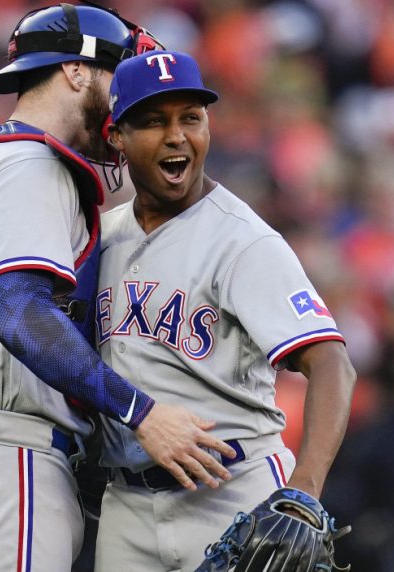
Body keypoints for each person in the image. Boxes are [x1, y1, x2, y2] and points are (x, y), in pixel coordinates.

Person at [0, 6, 234, 572]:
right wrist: (140, 412)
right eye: (116, 75)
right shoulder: (32, 166)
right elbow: (21, 317)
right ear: (75, 72)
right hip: (9, 472)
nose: (124, 101)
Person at [93, 50, 357, 570]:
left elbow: (331, 364)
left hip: (232, 495)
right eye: (153, 121)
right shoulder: (99, 240)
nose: (176, 136)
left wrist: (303, 492)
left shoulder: (243, 240)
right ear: (116, 138)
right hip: (125, 502)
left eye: (190, 118)